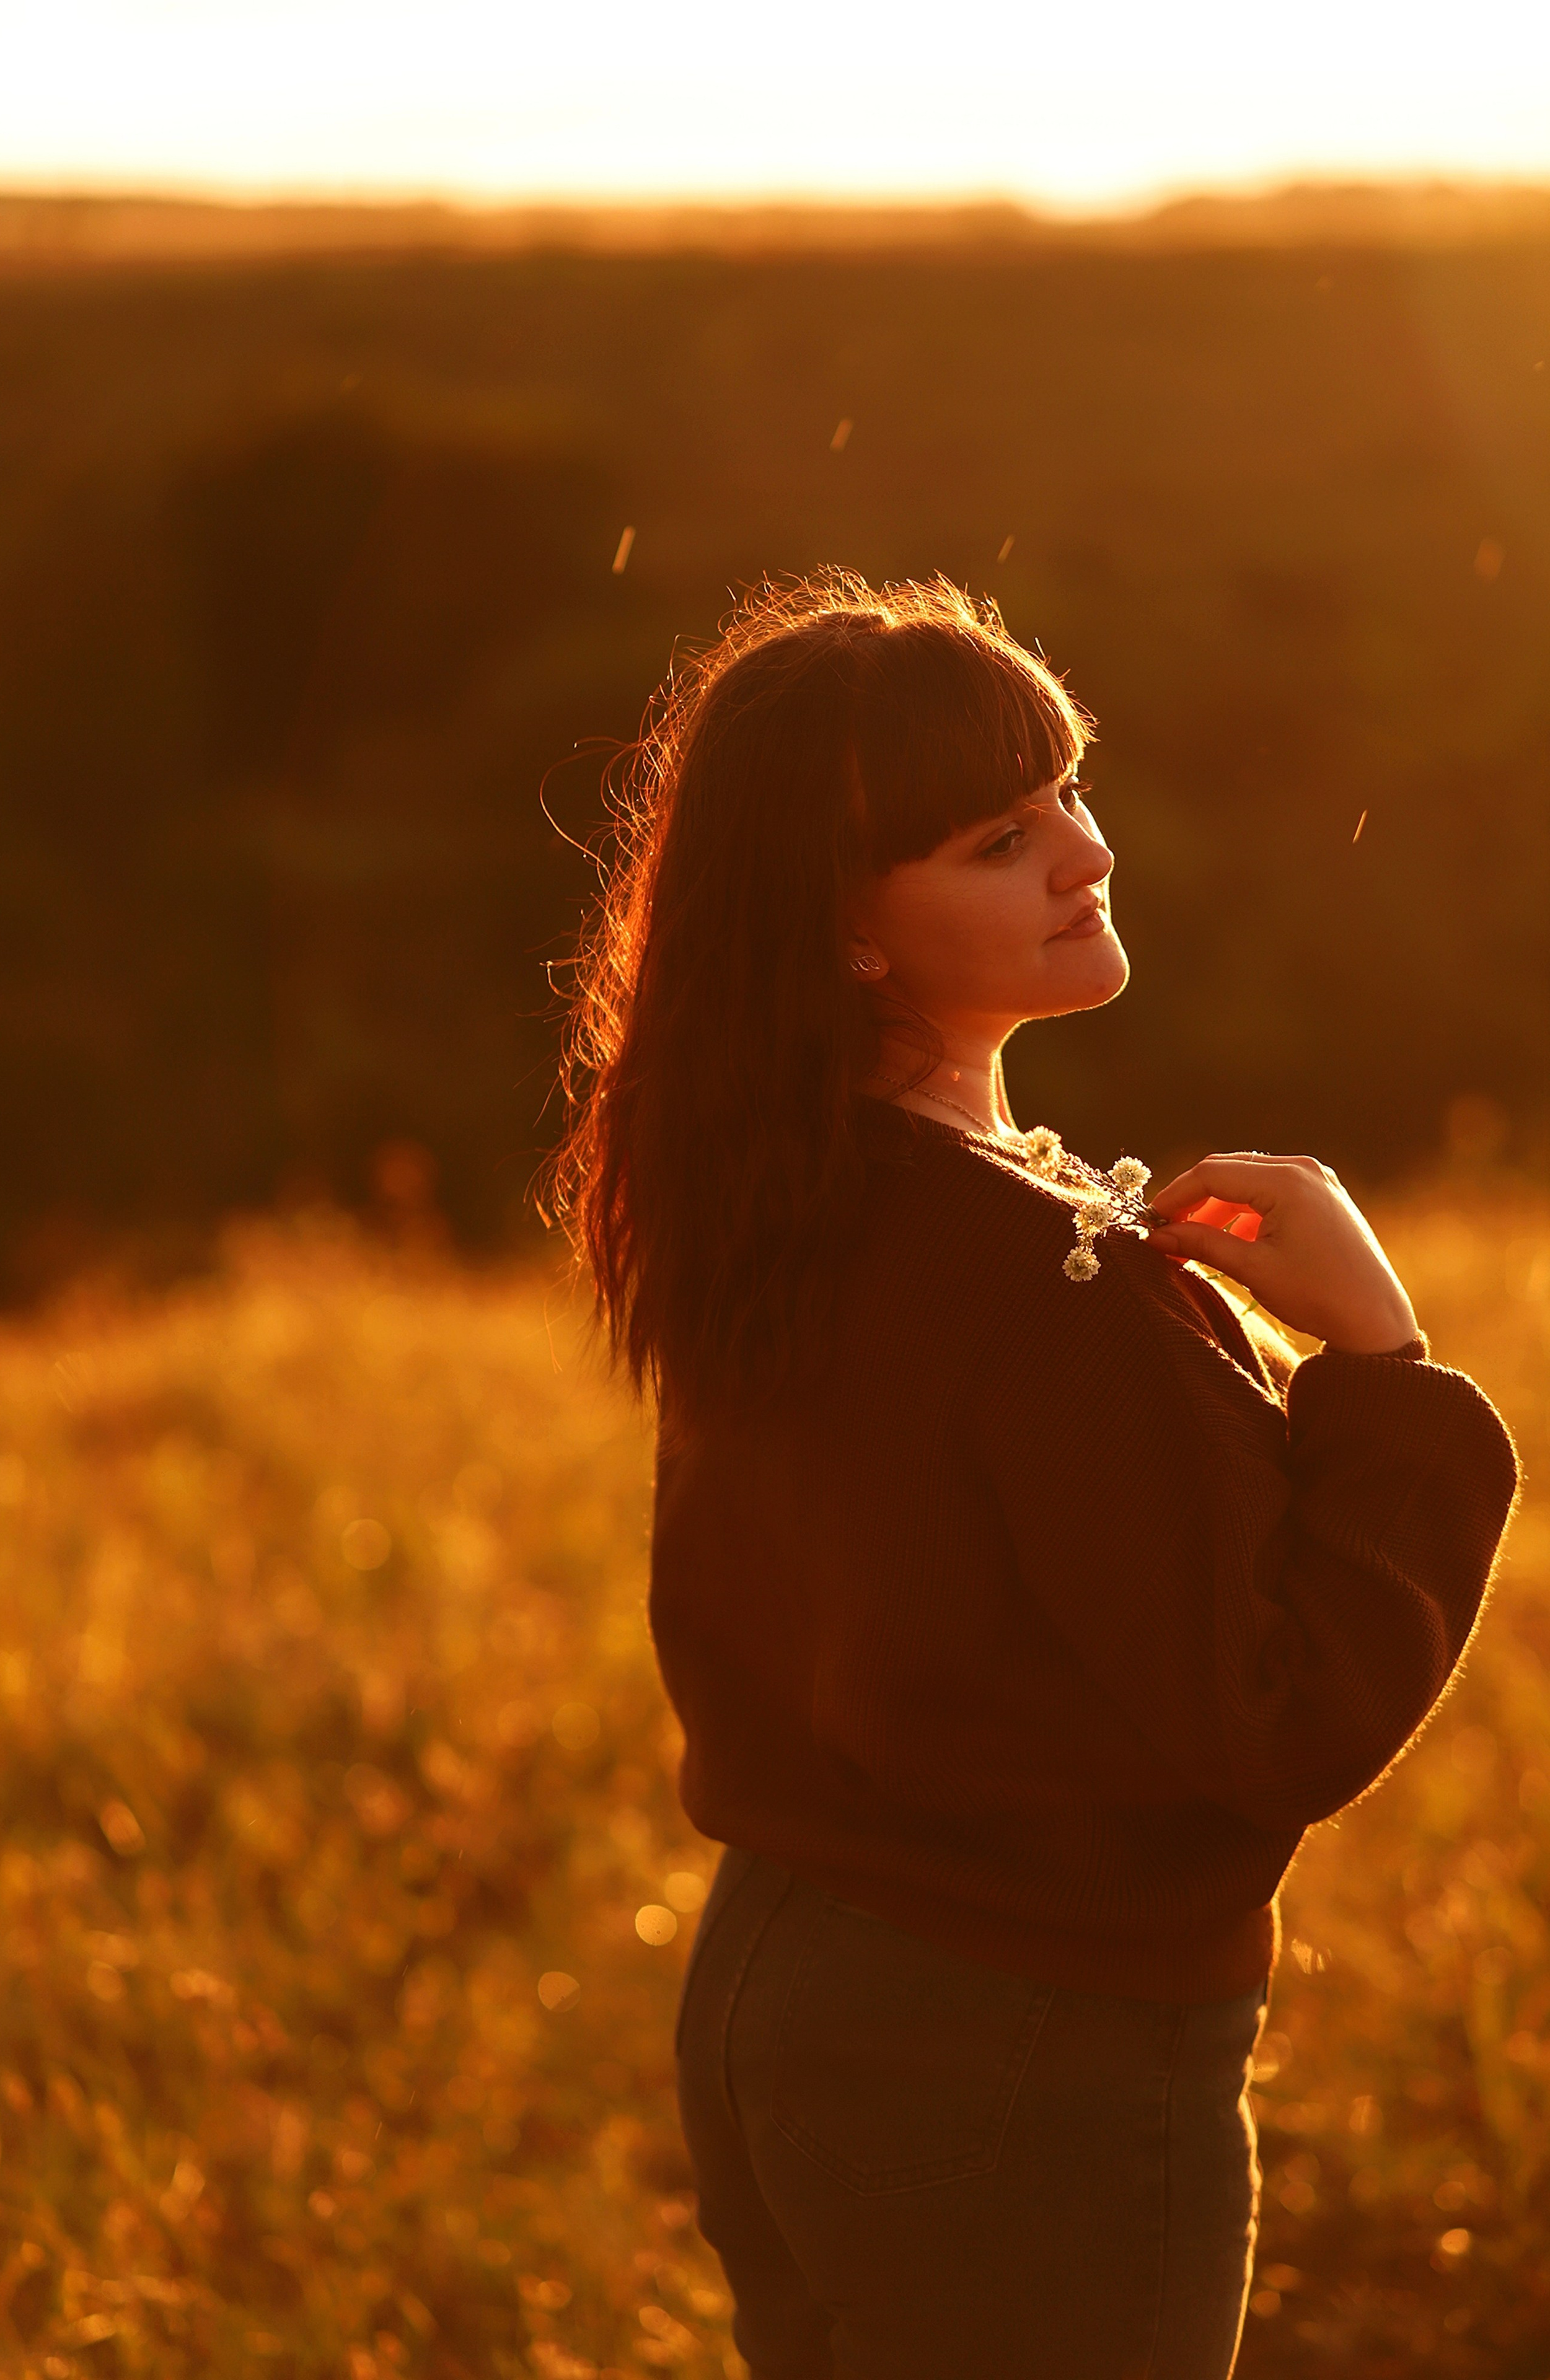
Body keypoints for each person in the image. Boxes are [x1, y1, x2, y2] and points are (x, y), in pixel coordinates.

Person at [548, 570, 1518, 2378]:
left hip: (784, 1984)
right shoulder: (1039, 1286)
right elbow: (1279, 1718)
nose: (1085, 851)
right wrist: (1380, 1369)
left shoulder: (779, 1203)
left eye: (1065, 789)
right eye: (1000, 838)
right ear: (851, 932)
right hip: (1022, 2037)